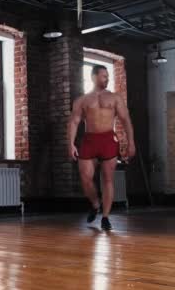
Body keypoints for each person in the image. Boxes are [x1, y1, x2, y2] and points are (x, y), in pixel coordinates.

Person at [67, 65, 135, 231]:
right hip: (89, 140)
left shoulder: (115, 98)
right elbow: (74, 122)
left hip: (108, 139)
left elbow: (125, 120)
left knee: (108, 179)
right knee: (85, 177)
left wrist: (131, 142)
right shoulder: (82, 100)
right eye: (104, 76)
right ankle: (95, 203)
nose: (107, 79)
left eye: (108, 76)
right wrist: (70, 143)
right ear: (94, 77)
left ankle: (105, 216)